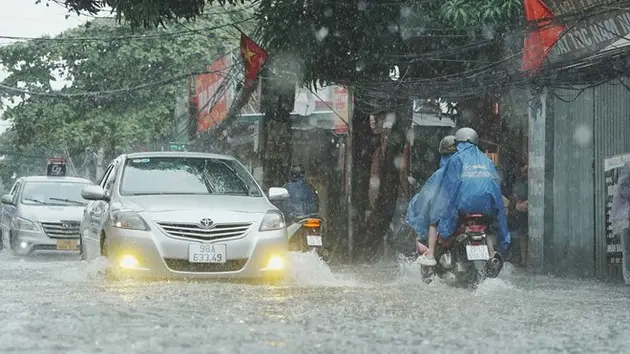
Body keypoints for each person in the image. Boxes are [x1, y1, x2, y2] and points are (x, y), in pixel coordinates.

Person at [417, 127, 510, 266]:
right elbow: (495, 187)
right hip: (486, 209)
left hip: (463, 208)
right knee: (490, 225)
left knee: (434, 220)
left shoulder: (456, 160)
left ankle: (430, 254)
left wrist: (440, 213)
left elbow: (449, 189)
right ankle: (491, 253)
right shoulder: (487, 161)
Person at [405, 135, 457, 249]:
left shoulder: (441, 174)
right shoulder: (471, 171)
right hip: (467, 215)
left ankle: (430, 254)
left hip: (445, 217)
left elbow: (424, 199)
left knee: (432, 221)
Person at [610, 162, 630, 285]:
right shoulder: (623, 184)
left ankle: (628, 276)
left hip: (625, 219)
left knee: (627, 250)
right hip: (624, 220)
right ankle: (628, 277)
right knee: (627, 250)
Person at [511, 161, 529, 267]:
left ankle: (526, 258)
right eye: (523, 168)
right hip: (521, 211)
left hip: (532, 210)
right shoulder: (520, 181)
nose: (525, 171)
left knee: (527, 235)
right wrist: (518, 203)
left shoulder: (535, 181)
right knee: (523, 234)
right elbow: (514, 194)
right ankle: (523, 259)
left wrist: (529, 202)